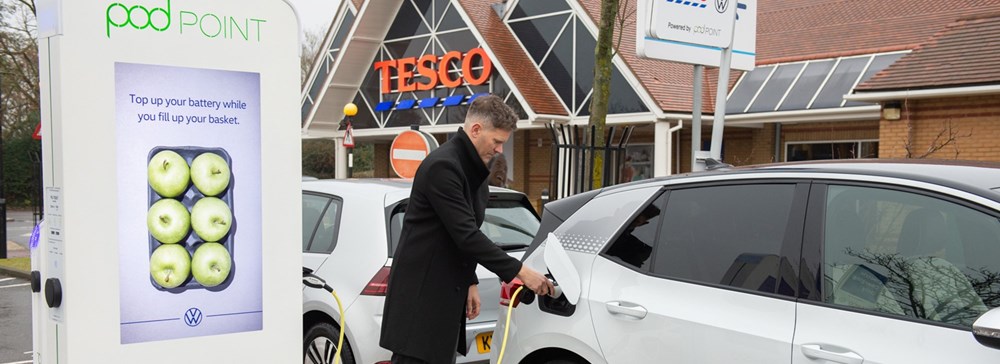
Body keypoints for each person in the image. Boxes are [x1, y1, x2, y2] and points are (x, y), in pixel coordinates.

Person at [380, 95, 554, 364]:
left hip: (445, 296)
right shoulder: (443, 166)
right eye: (496, 142)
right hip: (421, 300)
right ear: (475, 130)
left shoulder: (473, 170)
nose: (499, 150)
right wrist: (520, 272)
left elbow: (459, 231)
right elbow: (466, 235)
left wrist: (470, 278)